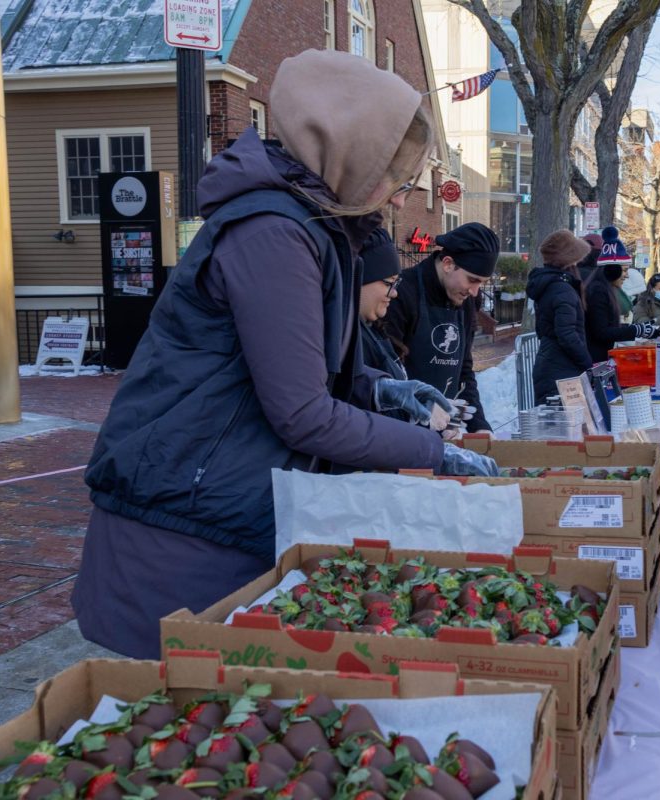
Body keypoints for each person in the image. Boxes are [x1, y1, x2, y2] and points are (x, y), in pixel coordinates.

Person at [74, 50, 498, 660]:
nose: (401, 202)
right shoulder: (275, 233)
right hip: (183, 523)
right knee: (192, 713)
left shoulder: (312, 227)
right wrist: (436, 453)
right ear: (347, 155)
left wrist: (376, 386)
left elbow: (305, 363)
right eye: (396, 180)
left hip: (219, 506)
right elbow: (300, 410)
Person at [382, 222, 499, 433]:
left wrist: (479, 427)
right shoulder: (402, 294)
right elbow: (387, 375)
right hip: (400, 429)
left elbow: (463, 368)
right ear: (447, 263)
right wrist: (422, 410)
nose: (474, 291)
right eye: (472, 280)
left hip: (446, 428)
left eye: (481, 283)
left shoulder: (468, 300)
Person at [527, 230, 593, 403]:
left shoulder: (554, 286)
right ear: (569, 261)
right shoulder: (562, 289)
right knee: (562, 427)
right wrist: (587, 363)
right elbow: (567, 334)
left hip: (554, 365)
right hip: (560, 371)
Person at [585, 250, 659, 363]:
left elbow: (608, 326)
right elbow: (601, 332)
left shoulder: (603, 289)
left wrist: (639, 329)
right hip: (596, 358)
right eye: (624, 270)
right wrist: (637, 330)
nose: (627, 275)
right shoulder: (598, 291)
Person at [358, 228, 407, 381]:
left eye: (396, 283)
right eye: (388, 283)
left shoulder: (373, 330)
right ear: (359, 279)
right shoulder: (350, 343)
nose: (394, 293)